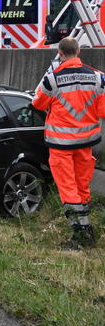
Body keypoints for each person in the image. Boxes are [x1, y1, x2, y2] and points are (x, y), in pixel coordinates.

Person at [32, 37, 105, 248]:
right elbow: (102, 111)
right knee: (82, 186)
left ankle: (80, 236)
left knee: (68, 189)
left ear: (60, 54)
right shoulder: (98, 78)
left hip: (61, 145)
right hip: (86, 143)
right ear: (79, 51)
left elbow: (37, 103)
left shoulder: (52, 80)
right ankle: (87, 228)